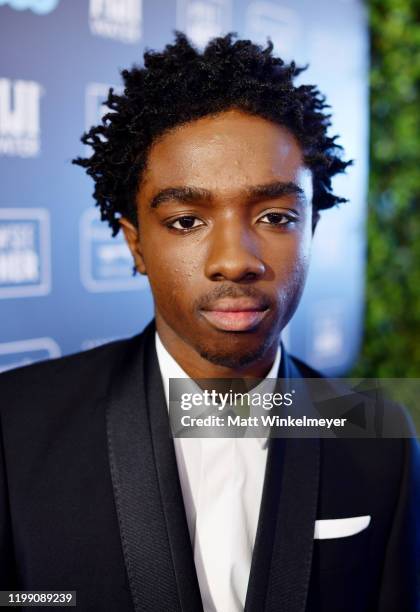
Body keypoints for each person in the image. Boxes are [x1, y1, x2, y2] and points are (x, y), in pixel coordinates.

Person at [1, 32, 419, 612]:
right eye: (185, 222)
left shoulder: (379, 433)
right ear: (135, 244)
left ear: (312, 231)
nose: (234, 260)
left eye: (276, 215)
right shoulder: (14, 424)